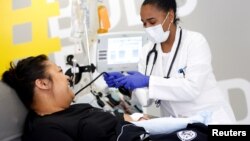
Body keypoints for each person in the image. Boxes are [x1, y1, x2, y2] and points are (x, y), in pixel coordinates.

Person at [2, 54, 209, 141]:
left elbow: (129, 120)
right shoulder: (44, 130)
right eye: (59, 72)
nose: (66, 77)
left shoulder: (74, 109)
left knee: (211, 131)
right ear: (43, 83)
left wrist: (140, 119)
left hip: (144, 135)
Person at [103, 0, 236, 124]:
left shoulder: (195, 42)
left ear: (170, 15)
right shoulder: (147, 51)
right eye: (144, 23)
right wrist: (126, 86)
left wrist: (148, 80)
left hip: (211, 119)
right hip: (178, 125)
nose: (148, 27)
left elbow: (192, 89)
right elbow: (145, 100)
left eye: (152, 21)